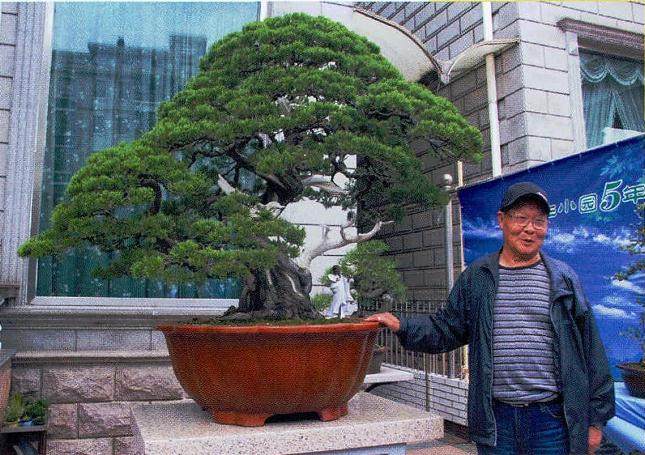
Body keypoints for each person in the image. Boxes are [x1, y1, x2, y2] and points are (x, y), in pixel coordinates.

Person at [366, 182, 614, 455]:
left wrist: (596, 423)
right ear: (502, 221)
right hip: (497, 420)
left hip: (553, 420)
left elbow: (592, 351)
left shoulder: (563, 280)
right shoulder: (478, 277)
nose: (530, 229)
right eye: (521, 218)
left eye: (539, 221)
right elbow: (446, 328)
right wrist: (403, 325)